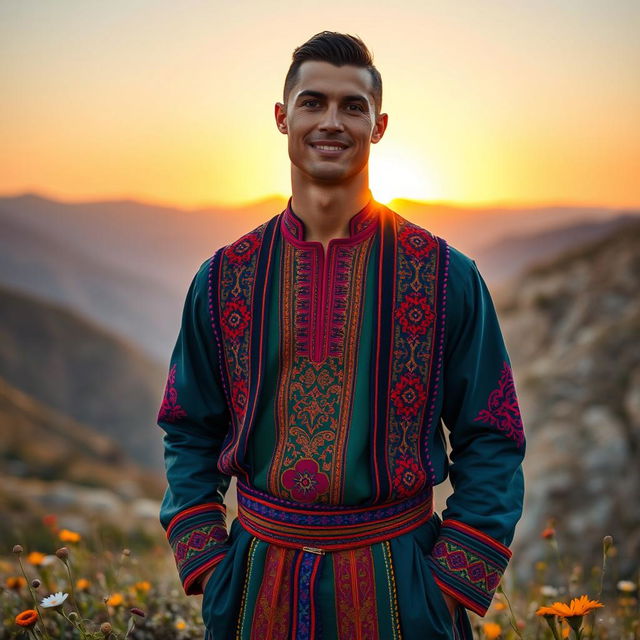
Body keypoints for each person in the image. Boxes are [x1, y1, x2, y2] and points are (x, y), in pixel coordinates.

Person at [157, 30, 526, 640]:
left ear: (378, 125)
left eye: (353, 106)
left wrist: (449, 584)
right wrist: (208, 566)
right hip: (253, 586)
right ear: (282, 117)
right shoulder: (225, 275)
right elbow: (188, 424)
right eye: (313, 102)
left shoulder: (443, 275)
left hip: (402, 585)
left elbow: (493, 432)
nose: (332, 121)